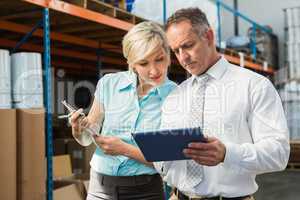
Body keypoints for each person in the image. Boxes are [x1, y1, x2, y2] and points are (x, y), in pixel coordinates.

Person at [153, 7, 290, 200]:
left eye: (188, 45)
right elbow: (164, 160)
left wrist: (227, 153)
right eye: (176, 51)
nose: (183, 58)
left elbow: (279, 154)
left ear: (208, 36)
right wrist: (160, 157)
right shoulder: (176, 95)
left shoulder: (254, 86)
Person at [70, 21, 177, 200]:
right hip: (100, 186)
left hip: (146, 190)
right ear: (132, 63)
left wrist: (124, 149)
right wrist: (78, 129)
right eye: (143, 63)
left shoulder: (176, 96)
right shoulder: (109, 84)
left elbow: (167, 161)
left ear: (168, 54)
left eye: (159, 59)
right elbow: (87, 137)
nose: (154, 70)